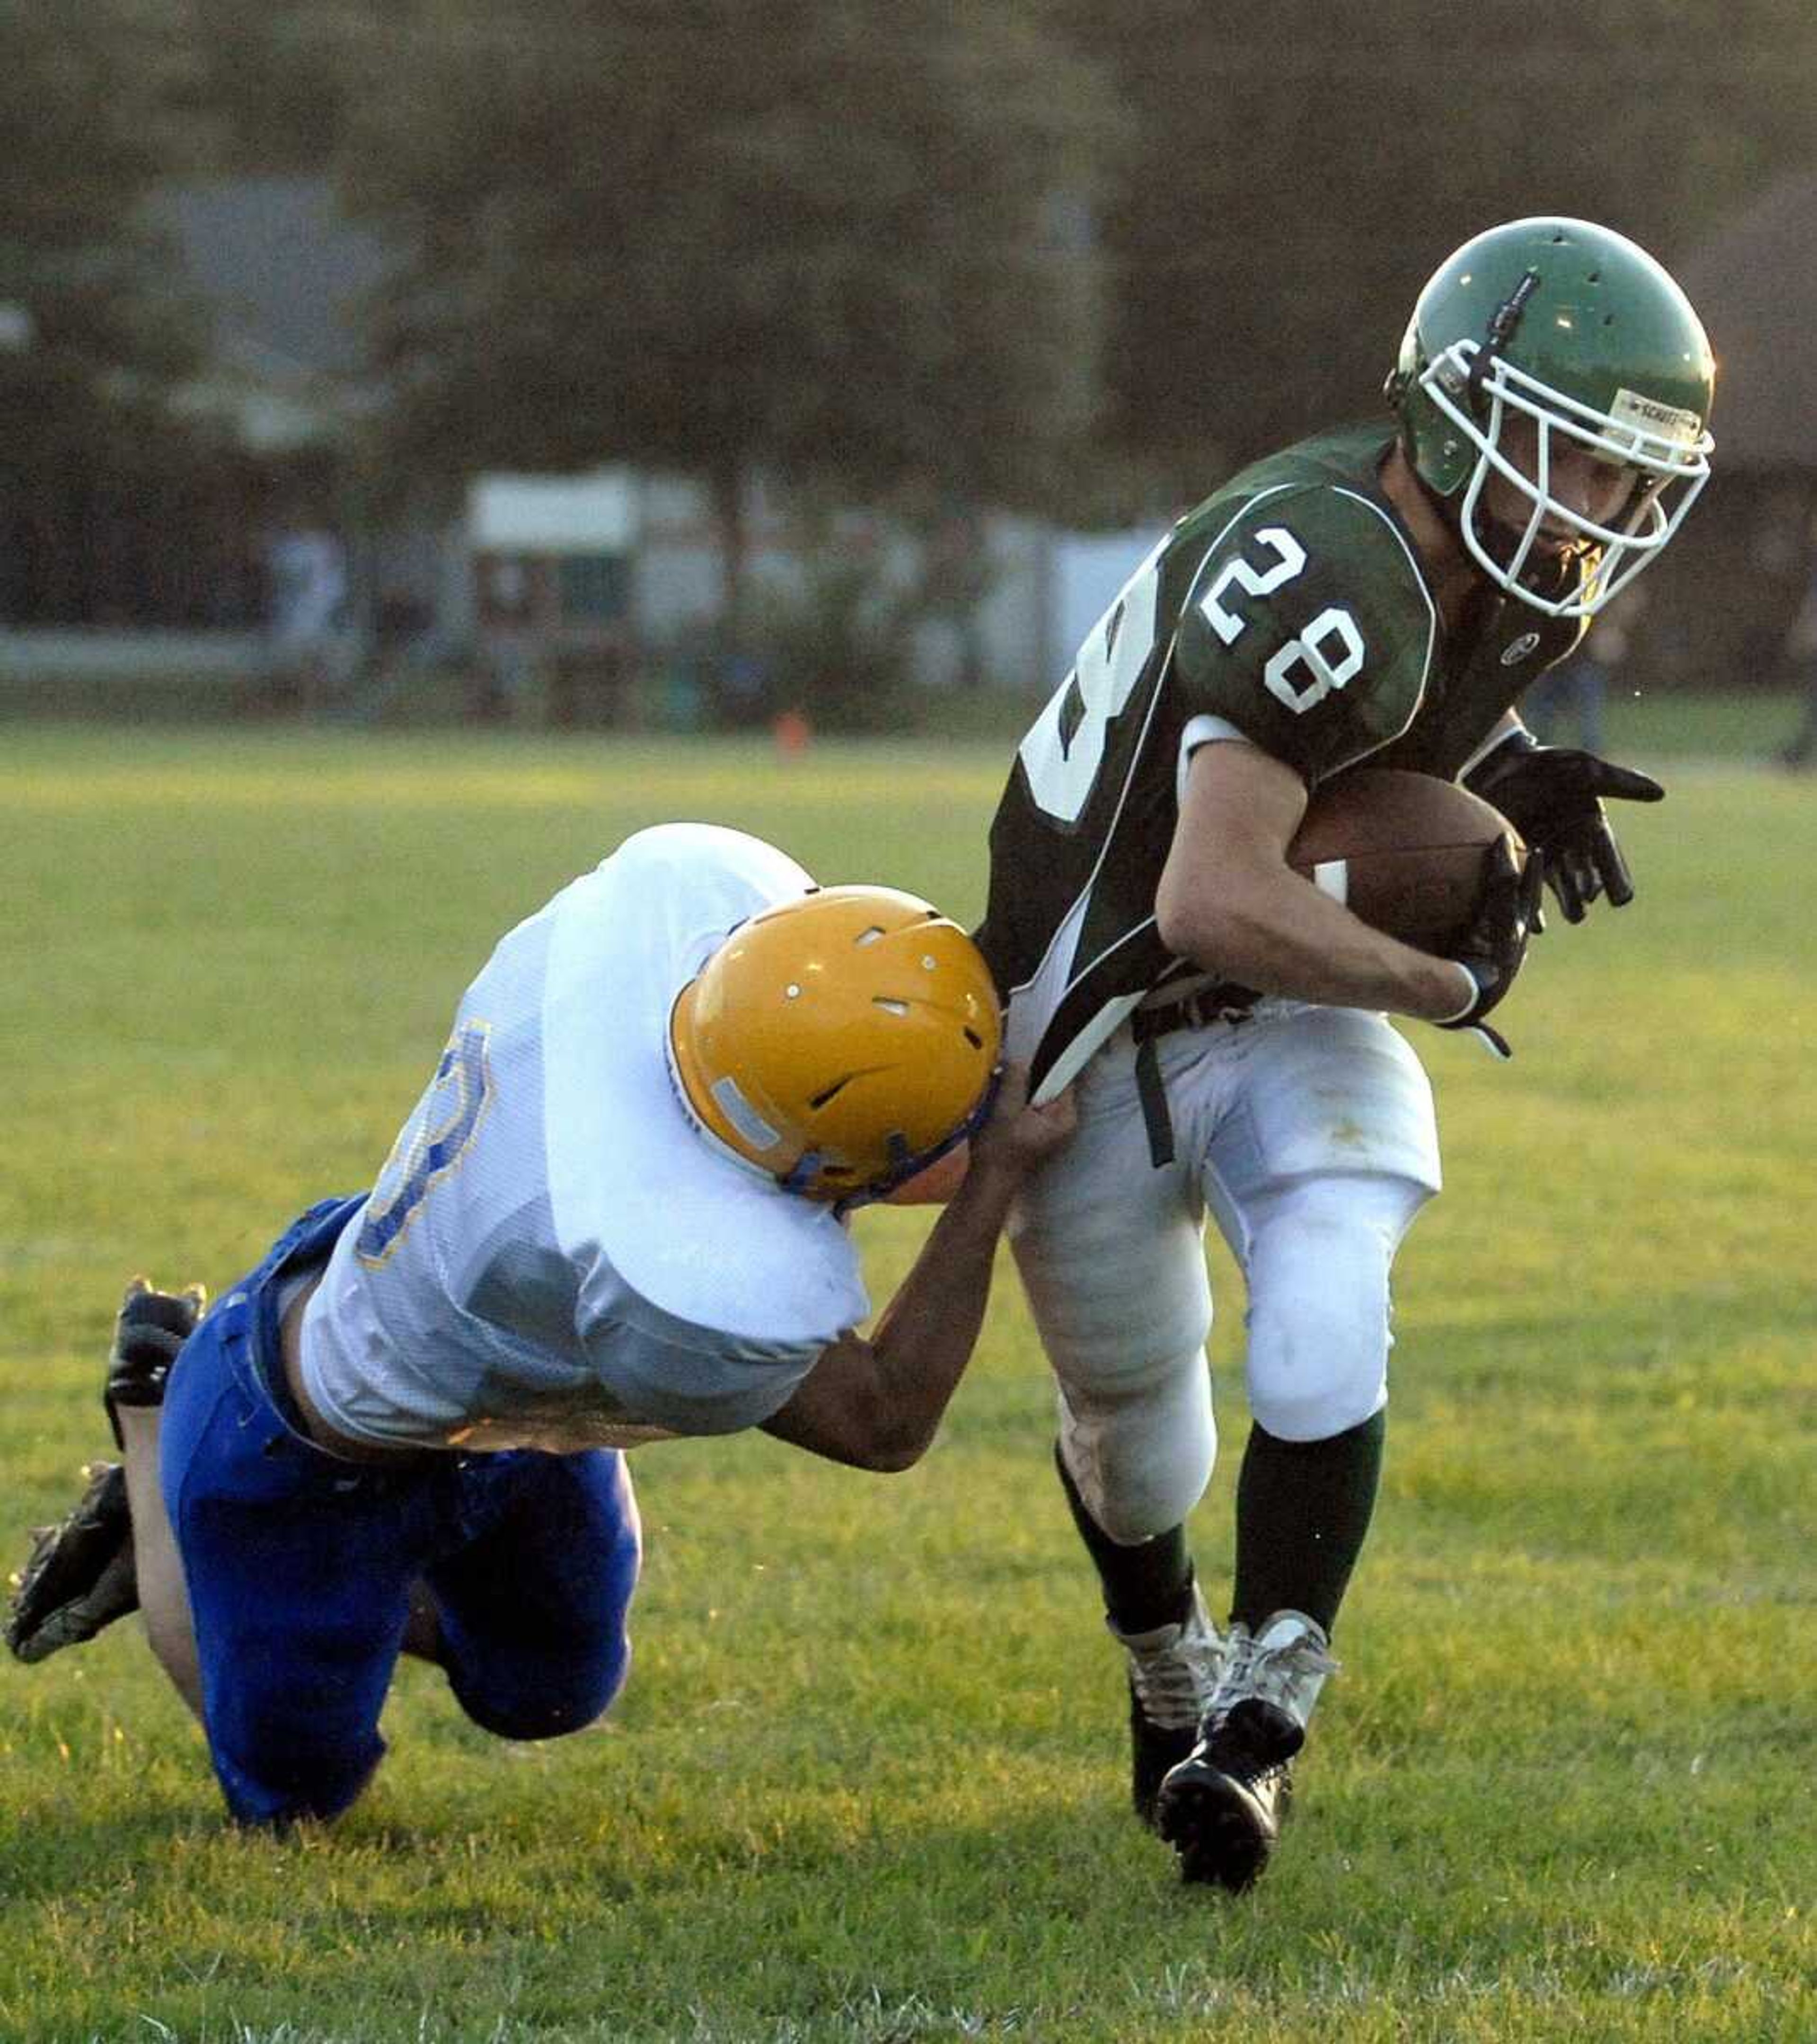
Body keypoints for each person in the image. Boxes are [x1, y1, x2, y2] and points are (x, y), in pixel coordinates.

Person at [973, 217, 1714, 1890]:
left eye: (1621, 481)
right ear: (1459, 416)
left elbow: (1380, 732)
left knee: (1326, 1306)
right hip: (1093, 1023)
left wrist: (1496, 769)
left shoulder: (1489, 573)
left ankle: (1261, 1717)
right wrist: (1442, 984)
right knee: (1139, 1435)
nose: (1595, 513)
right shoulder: (1331, 552)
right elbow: (1216, 891)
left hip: (1278, 995)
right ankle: (1167, 1665)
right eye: (1568, 462)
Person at [7, 823, 1073, 1828]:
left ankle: (326, 1595)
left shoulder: (697, 995)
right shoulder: (633, 1257)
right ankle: (156, 1432)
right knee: (297, 1803)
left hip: (494, 1403)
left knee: (549, 1694)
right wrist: (1000, 1180)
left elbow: (841, 1118)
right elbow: (885, 1423)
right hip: (296, 1435)